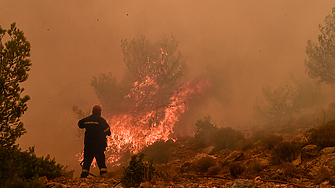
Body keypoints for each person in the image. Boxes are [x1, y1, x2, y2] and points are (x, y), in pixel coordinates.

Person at [78, 105, 111, 178]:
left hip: (88, 145)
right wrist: (106, 133)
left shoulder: (87, 119)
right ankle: (103, 176)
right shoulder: (100, 120)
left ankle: (83, 177)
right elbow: (107, 130)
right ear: (99, 112)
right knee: (101, 161)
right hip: (98, 145)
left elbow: (80, 124)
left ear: (92, 111)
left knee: (87, 161)